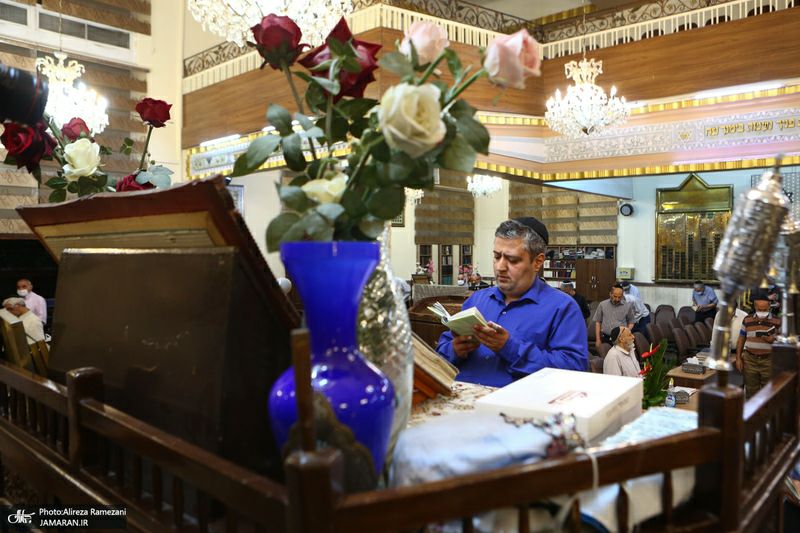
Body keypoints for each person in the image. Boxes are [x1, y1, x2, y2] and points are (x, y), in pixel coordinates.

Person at [436, 217, 588, 387]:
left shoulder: (563, 308)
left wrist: (509, 348)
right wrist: (455, 349)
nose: (500, 267)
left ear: (537, 262)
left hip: (519, 403)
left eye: (512, 260)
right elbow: (440, 355)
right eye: (496, 257)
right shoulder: (476, 300)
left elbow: (573, 370)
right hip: (461, 398)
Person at [735, 291, 780, 398]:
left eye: (764, 310)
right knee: (751, 391)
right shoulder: (747, 320)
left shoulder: (777, 321)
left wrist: (774, 339)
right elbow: (741, 339)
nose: (762, 312)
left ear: (769, 307)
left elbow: (782, 342)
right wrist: (738, 358)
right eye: (759, 309)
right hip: (750, 360)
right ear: (755, 307)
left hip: (769, 360)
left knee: (768, 392)